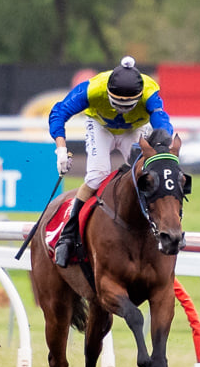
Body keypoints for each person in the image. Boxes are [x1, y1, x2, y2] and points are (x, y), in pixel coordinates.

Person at [46, 56, 175, 267]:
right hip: (101, 127)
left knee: (145, 175)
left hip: (134, 129)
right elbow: (59, 112)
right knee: (97, 177)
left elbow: (162, 122)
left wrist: (162, 145)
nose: (121, 109)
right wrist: (61, 149)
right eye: (117, 104)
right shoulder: (92, 89)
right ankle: (68, 235)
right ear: (107, 93)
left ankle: (158, 229)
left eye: (128, 105)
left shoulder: (150, 91)